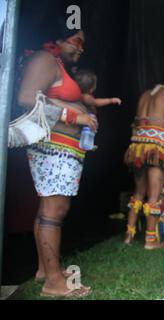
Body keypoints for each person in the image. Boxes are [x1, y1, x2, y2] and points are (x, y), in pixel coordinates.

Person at [17, 27, 96, 297]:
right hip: (52, 146)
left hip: (62, 147)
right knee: (55, 210)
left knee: (47, 208)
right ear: (58, 39)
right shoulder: (45, 59)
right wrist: (75, 117)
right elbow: (27, 98)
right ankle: (53, 282)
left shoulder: (57, 64)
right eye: (77, 41)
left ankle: (44, 270)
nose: (81, 48)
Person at [123, 84, 164, 249]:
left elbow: (137, 124)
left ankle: (129, 236)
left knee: (138, 192)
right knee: (154, 196)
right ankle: (150, 240)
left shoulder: (144, 95)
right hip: (157, 147)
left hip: (138, 146)